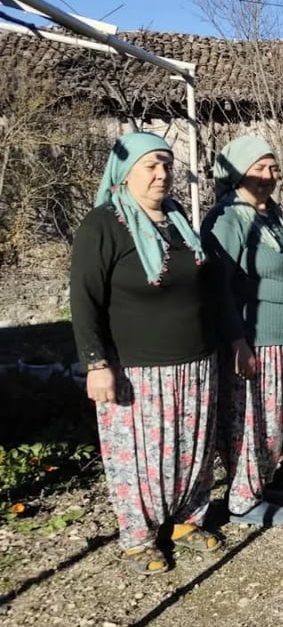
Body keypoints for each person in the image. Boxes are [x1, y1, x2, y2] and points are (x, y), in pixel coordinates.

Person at [70, 132, 222, 574]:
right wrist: (96, 363)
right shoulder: (103, 224)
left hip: (195, 360)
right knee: (139, 457)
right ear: (125, 170)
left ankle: (184, 520)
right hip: (139, 368)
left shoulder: (177, 220)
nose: (162, 174)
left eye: (167, 166)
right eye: (151, 165)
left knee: (191, 451)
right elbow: (84, 300)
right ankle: (138, 536)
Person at [202, 134, 283, 527]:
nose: (267, 175)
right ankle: (243, 501)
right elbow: (220, 289)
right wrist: (237, 341)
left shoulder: (273, 216)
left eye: (271, 167)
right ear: (235, 174)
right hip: (255, 339)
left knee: (273, 420)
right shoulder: (228, 219)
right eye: (258, 168)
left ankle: (256, 483)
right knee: (251, 421)